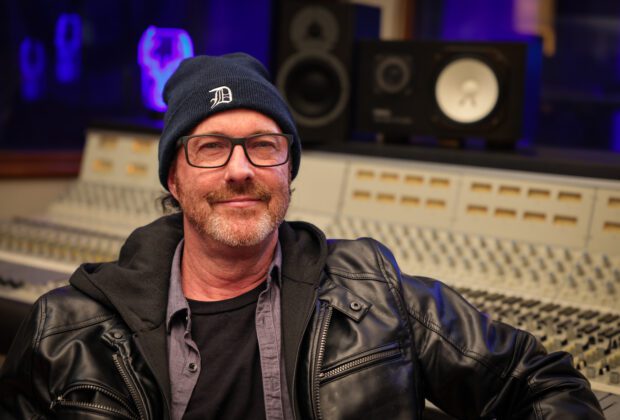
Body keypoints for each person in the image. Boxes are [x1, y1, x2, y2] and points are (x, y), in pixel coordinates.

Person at [0, 53, 604, 420]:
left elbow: (544, 383)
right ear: (174, 179)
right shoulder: (66, 330)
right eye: (210, 147)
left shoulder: (378, 293)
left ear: (288, 170)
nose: (240, 170)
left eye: (263, 146)